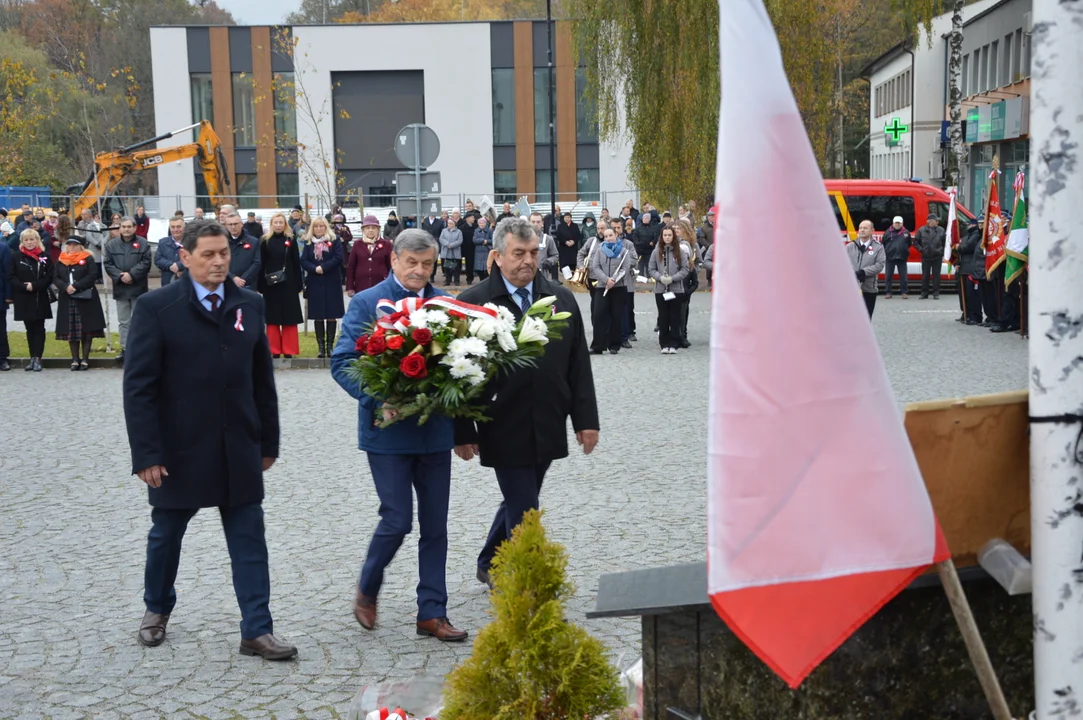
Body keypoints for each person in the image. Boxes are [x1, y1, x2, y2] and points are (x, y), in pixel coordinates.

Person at [122, 219, 295, 660]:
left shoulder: (250, 304)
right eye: (209, 255)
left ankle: (257, 629)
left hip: (238, 444)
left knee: (249, 539)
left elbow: (262, 380)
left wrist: (268, 442)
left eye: (224, 253)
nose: (220, 262)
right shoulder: (156, 307)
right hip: (180, 448)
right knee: (166, 535)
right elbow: (139, 387)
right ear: (185, 257)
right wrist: (147, 453)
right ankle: (156, 609)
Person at [330, 229, 468, 642]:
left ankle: (432, 612)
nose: (420, 271)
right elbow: (342, 362)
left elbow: (463, 366)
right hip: (387, 432)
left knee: (436, 525)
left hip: (434, 433)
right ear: (394, 260)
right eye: (412, 263)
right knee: (397, 519)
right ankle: (368, 586)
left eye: (428, 264)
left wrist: (462, 428)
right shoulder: (367, 302)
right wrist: (379, 396)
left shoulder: (446, 305)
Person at [454, 216, 599, 589]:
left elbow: (577, 363)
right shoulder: (472, 304)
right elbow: (456, 372)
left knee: (523, 495)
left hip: (548, 416)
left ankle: (490, 560)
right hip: (500, 421)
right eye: (518, 253)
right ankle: (528, 587)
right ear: (497, 256)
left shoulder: (560, 297)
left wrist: (586, 419)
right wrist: (461, 430)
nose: (528, 261)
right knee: (524, 506)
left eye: (533, 252)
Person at [53, 235, 105, 370]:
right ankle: (75, 359)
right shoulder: (61, 260)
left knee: (87, 330)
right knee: (72, 331)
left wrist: (76, 286)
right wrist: (65, 287)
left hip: (86, 297)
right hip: (67, 297)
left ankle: (85, 359)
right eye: (69, 245)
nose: (71, 248)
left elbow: (92, 275)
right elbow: (56, 277)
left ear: (80, 247)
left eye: (74, 245)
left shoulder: (87, 259)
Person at [104, 217, 152, 363]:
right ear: (120, 228)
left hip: (138, 287)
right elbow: (108, 263)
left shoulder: (143, 243)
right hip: (121, 288)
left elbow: (146, 262)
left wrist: (132, 274)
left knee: (140, 320)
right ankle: (125, 349)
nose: (126, 229)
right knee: (124, 321)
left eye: (129, 227)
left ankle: (140, 348)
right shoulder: (112, 245)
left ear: (134, 227)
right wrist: (120, 276)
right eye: (123, 227)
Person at [258, 213, 304, 359]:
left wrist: (299, 283)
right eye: (275, 222)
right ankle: (274, 350)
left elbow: (297, 263)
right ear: (271, 224)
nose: (278, 225)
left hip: (289, 284)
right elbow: (261, 264)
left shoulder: (291, 240)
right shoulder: (265, 241)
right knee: (272, 318)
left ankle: (289, 350)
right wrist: (261, 284)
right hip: (270, 285)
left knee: (289, 317)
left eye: (281, 222)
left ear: (285, 224)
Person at [8, 229, 54, 371]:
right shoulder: (16, 257)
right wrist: (23, 286)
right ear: (22, 242)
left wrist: (34, 286)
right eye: (26, 240)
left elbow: (49, 276)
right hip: (23, 297)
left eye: (32, 239)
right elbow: (11, 276)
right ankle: (32, 357)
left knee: (39, 327)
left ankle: (38, 358)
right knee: (29, 328)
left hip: (39, 295)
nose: (29, 242)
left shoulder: (44, 256)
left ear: (37, 240)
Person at [301, 217, 345, 358]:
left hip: (331, 281)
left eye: (321, 226)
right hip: (315, 282)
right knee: (318, 315)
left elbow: (338, 257)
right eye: (316, 226)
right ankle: (321, 348)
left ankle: (330, 347)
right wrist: (315, 269)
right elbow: (303, 260)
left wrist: (323, 268)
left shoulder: (335, 240)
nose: (319, 229)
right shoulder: (308, 243)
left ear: (326, 227)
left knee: (331, 314)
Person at [589, 226, 632, 355]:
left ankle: (614, 345)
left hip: (618, 287)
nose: (608, 238)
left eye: (610, 235)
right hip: (602, 286)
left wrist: (614, 280)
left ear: (616, 236)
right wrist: (606, 279)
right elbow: (595, 266)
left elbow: (625, 268)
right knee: (599, 315)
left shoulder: (624, 251)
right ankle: (598, 345)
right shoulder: (600, 250)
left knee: (616, 316)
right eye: (606, 236)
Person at [649, 225, 691, 354]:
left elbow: (685, 269)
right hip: (661, 289)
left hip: (676, 289)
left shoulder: (680, 251)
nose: (667, 237)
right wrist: (660, 277)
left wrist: (673, 278)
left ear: (673, 236)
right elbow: (651, 269)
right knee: (663, 316)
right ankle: (664, 343)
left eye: (669, 235)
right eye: (665, 235)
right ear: (662, 237)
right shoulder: (656, 251)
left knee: (675, 316)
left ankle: (674, 343)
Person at [846, 219, 886, 318]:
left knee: (866, 318)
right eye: (860, 228)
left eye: (865, 228)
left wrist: (864, 272)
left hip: (869, 289)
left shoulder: (879, 247)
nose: (862, 230)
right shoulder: (850, 247)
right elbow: (842, 263)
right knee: (851, 317)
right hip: (851, 288)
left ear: (872, 231)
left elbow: (880, 265)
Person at [346, 215, 393, 298]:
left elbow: (391, 267)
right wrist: (350, 287)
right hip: (361, 286)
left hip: (381, 285)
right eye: (367, 228)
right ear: (363, 230)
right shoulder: (357, 244)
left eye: (373, 228)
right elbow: (351, 267)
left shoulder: (387, 245)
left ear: (378, 229)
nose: (370, 230)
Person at [221, 213, 262, 289]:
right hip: (228, 283)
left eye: (236, 224)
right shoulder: (222, 243)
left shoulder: (254, 242)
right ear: (226, 226)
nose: (233, 227)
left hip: (248, 284)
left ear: (241, 224)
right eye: (230, 224)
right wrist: (233, 277)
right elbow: (220, 263)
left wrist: (243, 279)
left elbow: (257, 263)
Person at [957, 218, 984, 325]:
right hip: (964, 266)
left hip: (971, 268)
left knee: (973, 295)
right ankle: (967, 313)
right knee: (964, 294)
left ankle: (975, 316)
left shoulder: (976, 235)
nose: (969, 226)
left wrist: (959, 247)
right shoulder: (967, 235)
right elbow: (962, 249)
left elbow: (967, 248)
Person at [913, 215, 946, 299]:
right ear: (929, 221)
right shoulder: (921, 230)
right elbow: (916, 242)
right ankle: (924, 293)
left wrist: (941, 251)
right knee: (925, 276)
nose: (937, 222)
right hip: (926, 256)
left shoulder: (941, 230)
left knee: (936, 276)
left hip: (937, 256)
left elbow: (944, 242)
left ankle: (936, 293)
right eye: (936, 220)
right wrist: (922, 250)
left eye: (937, 221)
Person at [881, 216, 912, 299]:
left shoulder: (906, 232)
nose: (897, 224)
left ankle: (904, 292)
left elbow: (909, 243)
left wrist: (904, 251)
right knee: (888, 276)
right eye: (896, 223)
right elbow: (883, 243)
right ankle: (888, 292)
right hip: (890, 257)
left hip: (902, 257)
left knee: (903, 277)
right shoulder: (887, 232)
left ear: (902, 223)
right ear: (893, 223)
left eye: (899, 223)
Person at [155, 216, 188, 286]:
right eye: (173, 227)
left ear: (184, 227)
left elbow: (194, 258)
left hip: (187, 281)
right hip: (167, 282)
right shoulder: (162, 242)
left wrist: (179, 266)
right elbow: (158, 259)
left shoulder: (191, 242)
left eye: (179, 227)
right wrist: (170, 265)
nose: (175, 229)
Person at [528, 213, 560, 281]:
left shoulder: (548, 239)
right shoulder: (521, 239)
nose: (535, 224)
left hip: (542, 275)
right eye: (533, 222)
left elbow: (555, 255)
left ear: (542, 223)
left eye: (538, 222)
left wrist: (548, 262)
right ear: (528, 223)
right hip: (526, 275)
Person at [77, 209, 106, 283]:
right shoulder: (86, 225)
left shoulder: (104, 225)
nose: (97, 218)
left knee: (101, 263)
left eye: (98, 217)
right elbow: (88, 235)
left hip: (100, 246)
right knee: (92, 263)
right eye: (96, 217)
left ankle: (101, 277)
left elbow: (107, 235)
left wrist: (101, 243)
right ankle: (94, 278)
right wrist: (96, 243)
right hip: (91, 246)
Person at [555, 211, 582, 279]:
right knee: (564, 263)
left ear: (571, 218)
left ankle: (573, 276)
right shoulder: (560, 226)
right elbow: (559, 236)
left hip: (573, 247)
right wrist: (565, 242)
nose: (567, 219)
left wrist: (573, 241)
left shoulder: (575, 225)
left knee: (572, 263)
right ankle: (566, 277)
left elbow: (578, 235)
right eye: (565, 217)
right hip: (564, 247)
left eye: (568, 217)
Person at [438, 216, 463, 286]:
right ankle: (447, 280)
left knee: (456, 268)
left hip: (455, 252)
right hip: (447, 251)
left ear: (454, 224)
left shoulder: (459, 231)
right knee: (447, 267)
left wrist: (452, 245)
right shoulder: (444, 231)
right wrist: (447, 244)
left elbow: (460, 241)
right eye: (448, 223)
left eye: (451, 223)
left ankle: (456, 280)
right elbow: (441, 239)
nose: (450, 225)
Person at [632, 212, 657, 278]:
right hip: (640, 250)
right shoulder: (638, 228)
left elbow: (656, 237)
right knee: (640, 265)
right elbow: (635, 236)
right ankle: (640, 278)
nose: (645, 219)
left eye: (647, 218)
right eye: (644, 218)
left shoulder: (653, 228)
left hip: (649, 250)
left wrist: (653, 242)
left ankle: (650, 278)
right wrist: (638, 243)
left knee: (649, 265)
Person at [0, 237, 11, 371]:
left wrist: (9, 295)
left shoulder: (3, 248)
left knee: (1, 329)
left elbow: (8, 273)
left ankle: (2, 358)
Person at [457, 210, 478, 285]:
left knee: (471, 264)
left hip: (473, 248)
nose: (473, 219)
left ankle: (470, 278)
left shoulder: (475, 226)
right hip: (464, 248)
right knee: (463, 264)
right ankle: (460, 278)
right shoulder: (462, 228)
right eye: (472, 217)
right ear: (467, 218)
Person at [472, 216, 493, 282]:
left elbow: (493, 240)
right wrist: (483, 240)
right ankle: (481, 281)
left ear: (485, 223)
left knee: (487, 268)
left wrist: (487, 242)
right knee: (480, 269)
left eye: (483, 223)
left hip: (487, 251)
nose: (481, 224)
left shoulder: (490, 230)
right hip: (479, 252)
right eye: (480, 223)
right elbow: (474, 240)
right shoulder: (476, 231)